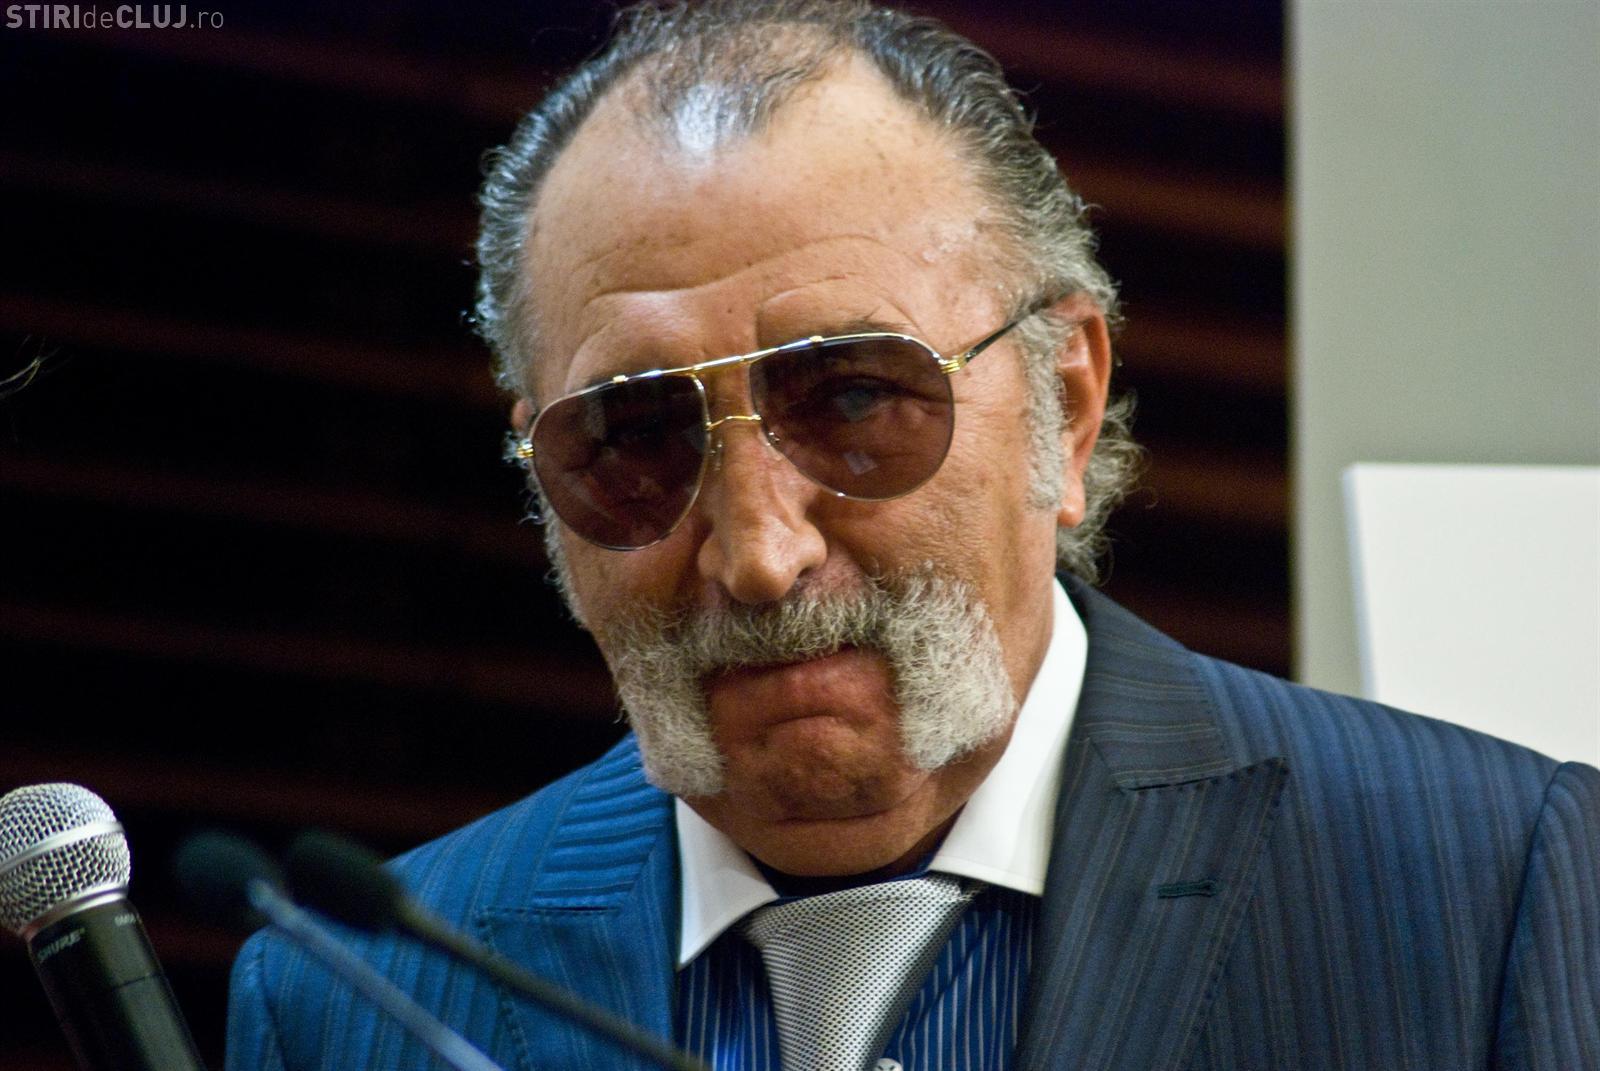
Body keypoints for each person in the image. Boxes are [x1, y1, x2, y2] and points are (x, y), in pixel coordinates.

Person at [226, 2, 1600, 1068]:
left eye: (854, 401)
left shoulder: (1490, 893)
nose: (759, 556)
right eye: (635, 440)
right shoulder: (354, 992)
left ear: (1064, 405)